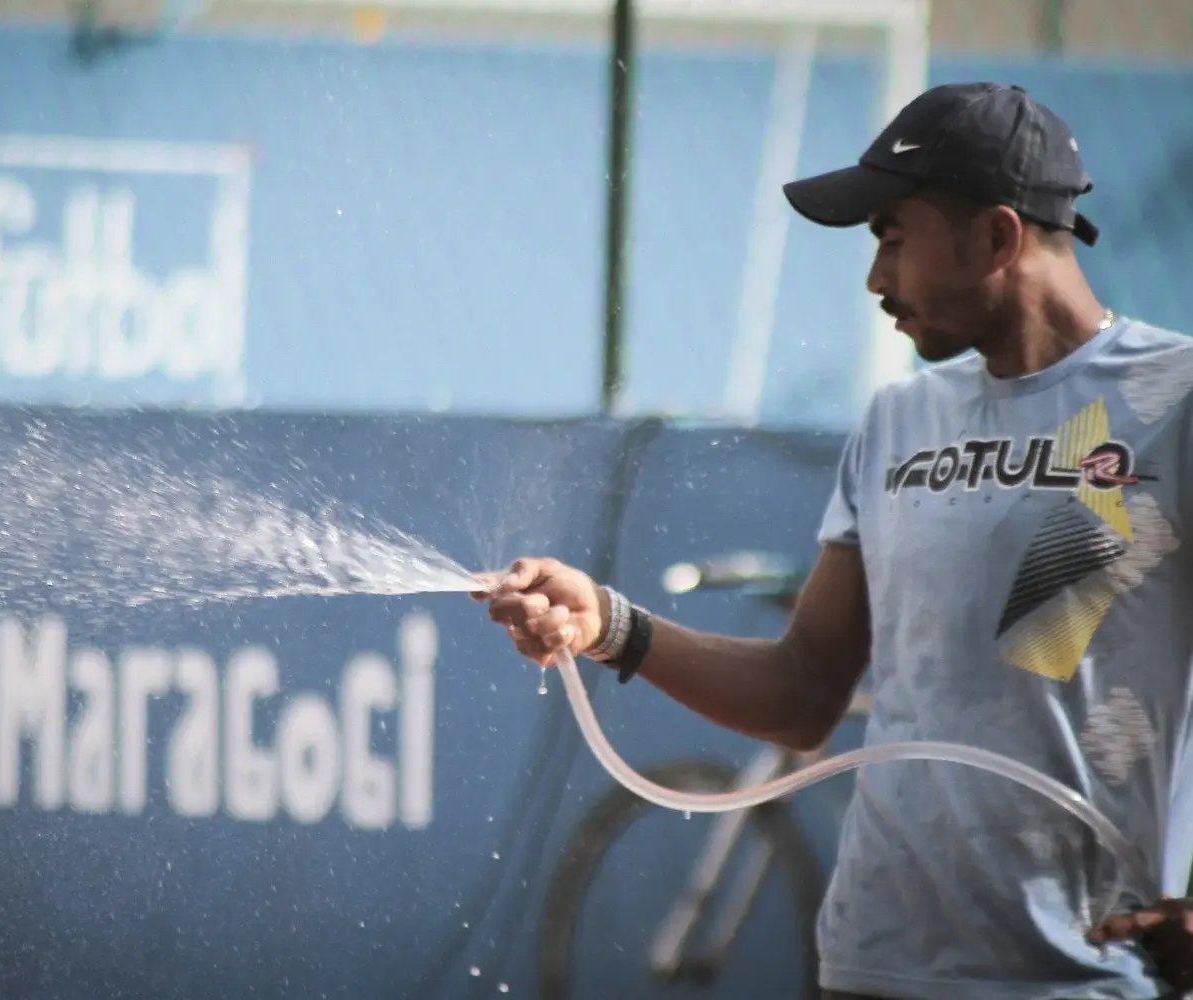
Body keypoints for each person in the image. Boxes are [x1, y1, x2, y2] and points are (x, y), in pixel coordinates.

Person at [480, 82, 1193, 1000]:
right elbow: (804, 691)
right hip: (871, 965)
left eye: (892, 235)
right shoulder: (901, 418)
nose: (874, 279)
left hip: (1089, 976)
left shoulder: (1172, 402)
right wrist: (610, 625)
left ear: (998, 239)